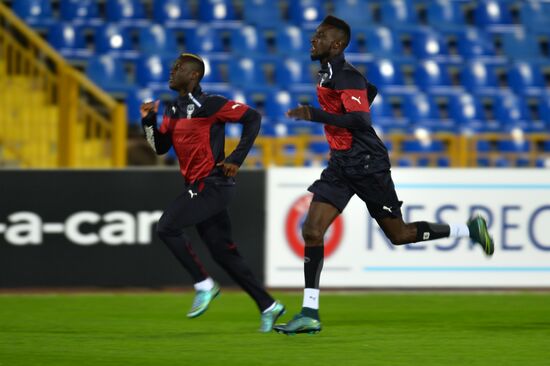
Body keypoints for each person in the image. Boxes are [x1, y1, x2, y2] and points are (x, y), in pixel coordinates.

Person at [273, 16, 494, 335]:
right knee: (311, 230)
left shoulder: (345, 76)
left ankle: (468, 229)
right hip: (341, 164)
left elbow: (361, 120)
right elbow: (369, 91)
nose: (312, 40)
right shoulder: (331, 75)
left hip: (367, 165)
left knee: (399, 234)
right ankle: (309, 313)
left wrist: (315, 114)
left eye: (319, 36)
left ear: (336, 44)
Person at [140, 53, 285, 332]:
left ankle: (204, 285)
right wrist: (148, 121)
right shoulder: (171, 110)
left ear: (194, 75)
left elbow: (253, 118)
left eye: (177, 68)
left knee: (167, 226)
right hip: (197, 187)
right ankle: (268, 305)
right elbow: (159, 147)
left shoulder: (212, 104)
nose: (171, 72)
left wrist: (235, 159)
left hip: (213, 184)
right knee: (224, 253)